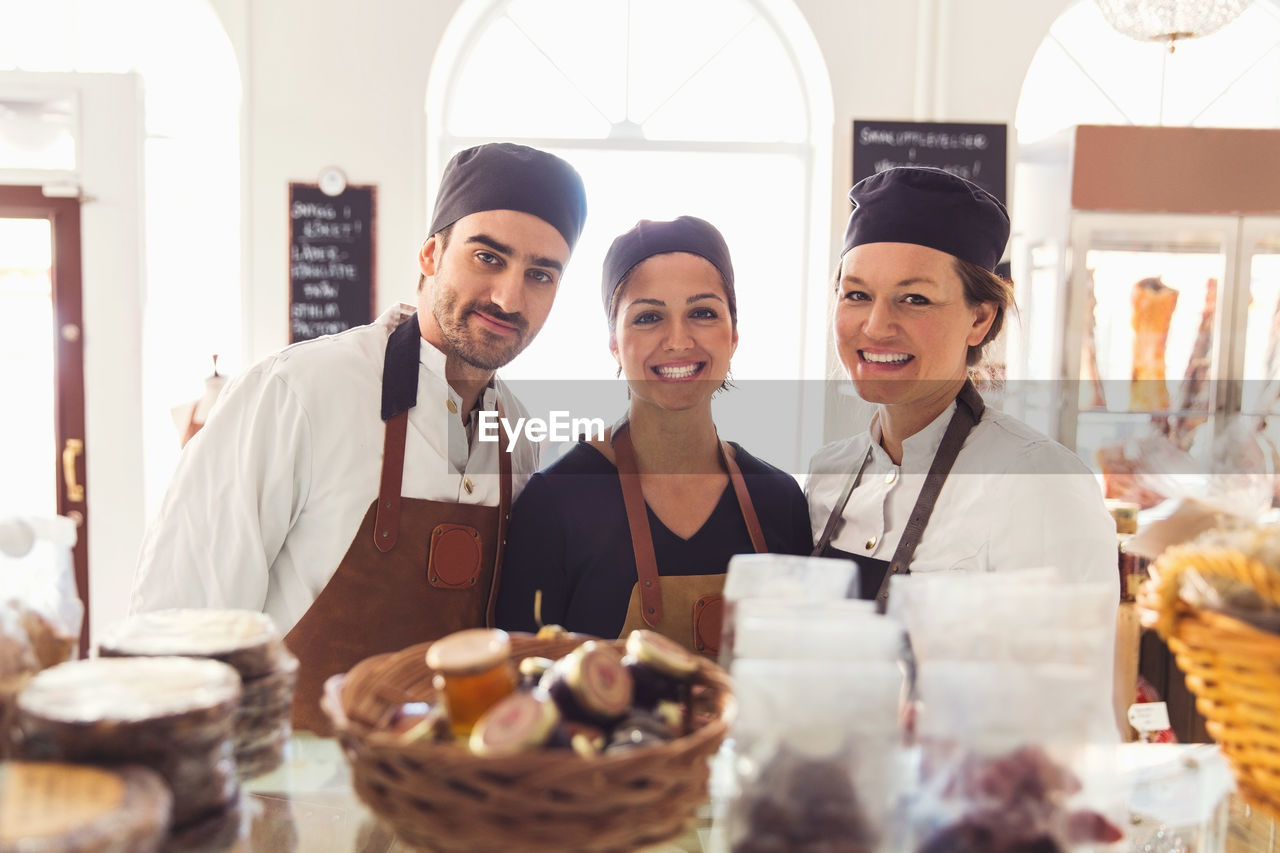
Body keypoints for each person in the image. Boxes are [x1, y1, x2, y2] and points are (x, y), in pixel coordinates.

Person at [130, 142, 588, 732]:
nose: (509, 297)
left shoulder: (519, 440)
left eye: (541, 275)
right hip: (285, 796)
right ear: (430, 255)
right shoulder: (296, 391)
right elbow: (181, 623)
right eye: (487, 258)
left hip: (438, 799)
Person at [494, 216, 813, 655]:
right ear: (614, 344)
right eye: (648, 317)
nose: (679, 341)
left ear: (733, 335)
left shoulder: (780, 500)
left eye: (702, 313)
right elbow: (525, 678)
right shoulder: (554, 502)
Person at [806, 166, 1118, 605]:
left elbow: (1073, 669)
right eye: (856, 295)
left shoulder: (1038, 483)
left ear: (980, 319)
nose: (875, 328)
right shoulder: (827, 474)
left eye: (915, 299)